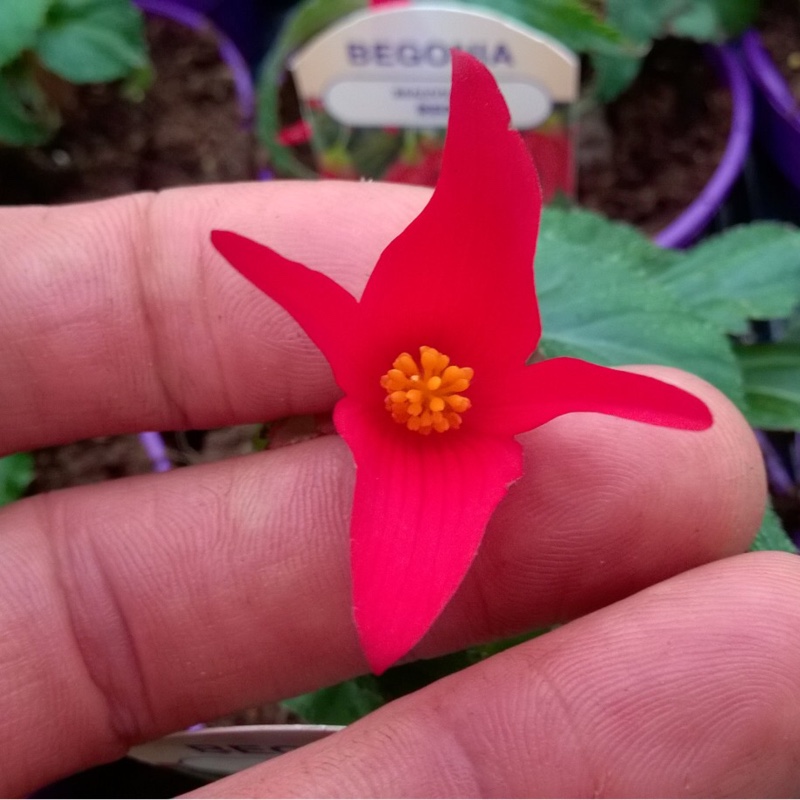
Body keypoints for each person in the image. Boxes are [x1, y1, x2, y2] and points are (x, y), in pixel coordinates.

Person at [1, 181, 795, 799]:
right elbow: (306, 296)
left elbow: (584, 391)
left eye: (436, 387)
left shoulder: (481, 397)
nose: (428, 389)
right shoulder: (374, 382)